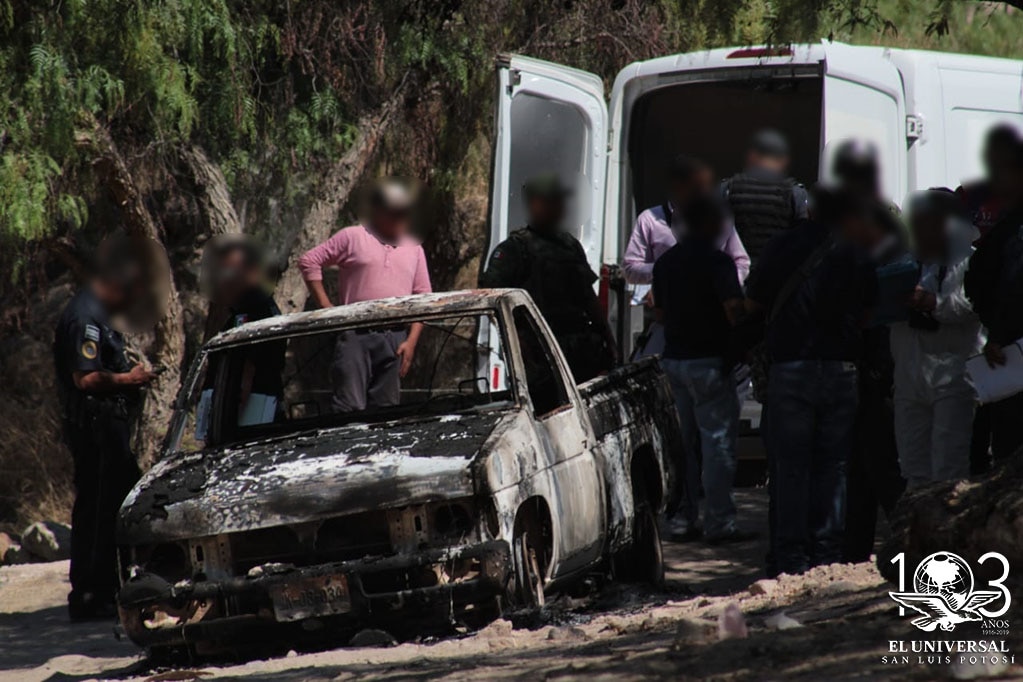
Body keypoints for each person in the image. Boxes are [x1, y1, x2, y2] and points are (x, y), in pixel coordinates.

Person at [746, 188, 879, 576]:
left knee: (791, 469)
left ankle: (791, 559)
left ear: (807, 210)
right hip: (842, 369)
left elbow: (753, 304)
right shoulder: (857, 251)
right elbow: (869, 312)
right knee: (834, 467)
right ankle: (827, 556)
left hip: (791, 369)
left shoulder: (780, 245)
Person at [53, 236, 159, 620]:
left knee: (115, 503)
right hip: (95, 426)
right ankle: (91, 593)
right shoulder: (85, 316)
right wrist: (130, 379)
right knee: (100, 509)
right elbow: (85, 378)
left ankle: (111, 587)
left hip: (106, 425)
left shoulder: (98, 313)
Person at [826, 140, 907, 564]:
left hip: (876, 364)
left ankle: (904, 538)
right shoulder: (882, 225)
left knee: (876, 461)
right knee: (864, 462)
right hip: (873, 364)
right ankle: (859, 548)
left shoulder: (870, 232)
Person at [653, 195, 751, 544]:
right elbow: (733, 310)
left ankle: (682, 520)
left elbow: (659, 314)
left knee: (683, 447)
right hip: (709, 364)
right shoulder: (718, 262)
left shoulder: (666, 263)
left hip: (675, 362)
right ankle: (720, 523)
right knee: (717, 445)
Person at [298, 179, 432, 412]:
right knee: (349, 407)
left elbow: (423, 297)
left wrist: (411, 342)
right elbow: (309, 261)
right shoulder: (352, 237)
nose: (401, 220)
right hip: (355, 335)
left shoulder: (414, 248)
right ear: (379, 211)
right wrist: (327, 309)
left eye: (404, 214)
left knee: (386, 410)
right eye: (395, 214)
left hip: (395, 338)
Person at [479, 173, 617, 383]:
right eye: (553, 201)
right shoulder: (514, 250)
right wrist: (517, 345)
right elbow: (491, 300)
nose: (560, 207)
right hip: (540, 357)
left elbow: (589, 299)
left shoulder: (570, 245)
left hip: (579, 353)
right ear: (536, 204)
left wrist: (609, 340)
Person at [890, 190, 982, 488]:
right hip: (909, 373)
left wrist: (933, 303)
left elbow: (971, 305)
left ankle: (945, 518)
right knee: (912, 465)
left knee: (948, 466)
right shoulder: (905, 262)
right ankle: (916, 518)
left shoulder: (969, 262)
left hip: (952, 374)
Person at [957, 125, 1023, 474]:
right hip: (1007, 353)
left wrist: (999, 333)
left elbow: (1005, 283)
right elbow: (980, 279)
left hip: (1011, 351)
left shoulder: (1012, 230)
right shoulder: (1007, 228)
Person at [203, 236, 286, 420]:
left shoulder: (257, 313)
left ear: (253, 273)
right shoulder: (240, 311)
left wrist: (229, 418)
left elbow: (248, 368)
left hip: (252, 411)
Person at [722, 129, 808, 262]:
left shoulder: (728, 188)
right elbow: (804, 240)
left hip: (738, 270)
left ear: (751, 156)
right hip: (777, 271)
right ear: (784, 160)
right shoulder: (795, 192)